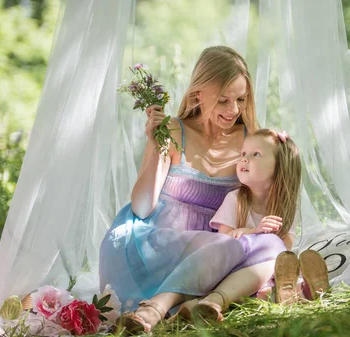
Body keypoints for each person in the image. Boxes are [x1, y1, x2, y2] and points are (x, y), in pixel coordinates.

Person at [99, 46, 288, 333]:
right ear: (198, 94)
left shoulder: (250, 140)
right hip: (158, 244)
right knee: (224, 246)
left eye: (240, 99)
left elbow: (262, 199)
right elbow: (141, 207)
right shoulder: (175, 130)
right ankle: (174, 303)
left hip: (217, 247)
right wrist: (155, 144)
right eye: (223, 100)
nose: (233, 110)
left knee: (272, 246)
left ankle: (197, 304)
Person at [180, 129, 302, 320]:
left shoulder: (287, 206)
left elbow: (284, 250)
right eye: (243, 154)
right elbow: (221, 243)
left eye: (256, 154)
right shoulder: (235, 199)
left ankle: (296, 290)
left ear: (281, 166)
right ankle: (215, 302)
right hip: (233, 270)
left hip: (265, 269)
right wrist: (252, 232)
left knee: (283, 269)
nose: (244, 159)